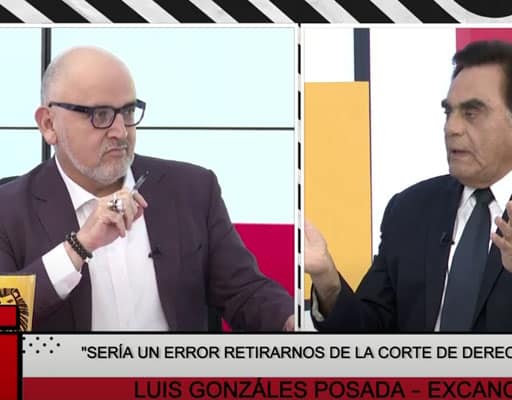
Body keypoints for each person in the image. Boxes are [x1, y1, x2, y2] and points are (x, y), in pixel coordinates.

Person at [305, 40, 512, 332]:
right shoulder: (410, 207)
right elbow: (369, 333)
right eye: (449, 112)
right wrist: (327, 279)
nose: (452, 128)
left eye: (471, 113)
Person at [0, 47, 294, 331]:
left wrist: (292, 323)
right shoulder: (8, 210)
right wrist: (79, 246)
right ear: (49, 124)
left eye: (128, 112)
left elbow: (245, 292)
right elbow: (5, 318)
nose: (120, 132)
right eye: (100, 115)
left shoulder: (192, 189)